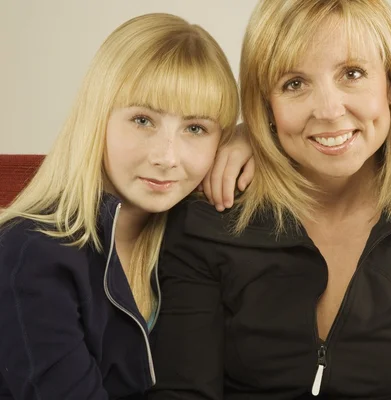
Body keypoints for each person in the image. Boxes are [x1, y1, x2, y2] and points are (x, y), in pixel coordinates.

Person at [148, 1, 391, 399]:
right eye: (294, 84)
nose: (330, 110)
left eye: (352, 74)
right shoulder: (211, 218)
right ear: (266, 104)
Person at [0, 13, 238, 399]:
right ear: (97, 119)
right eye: (143, 120)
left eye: (196, 128)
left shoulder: (192, 232)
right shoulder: (29, 252)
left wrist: (252, 143)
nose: (167, 157)